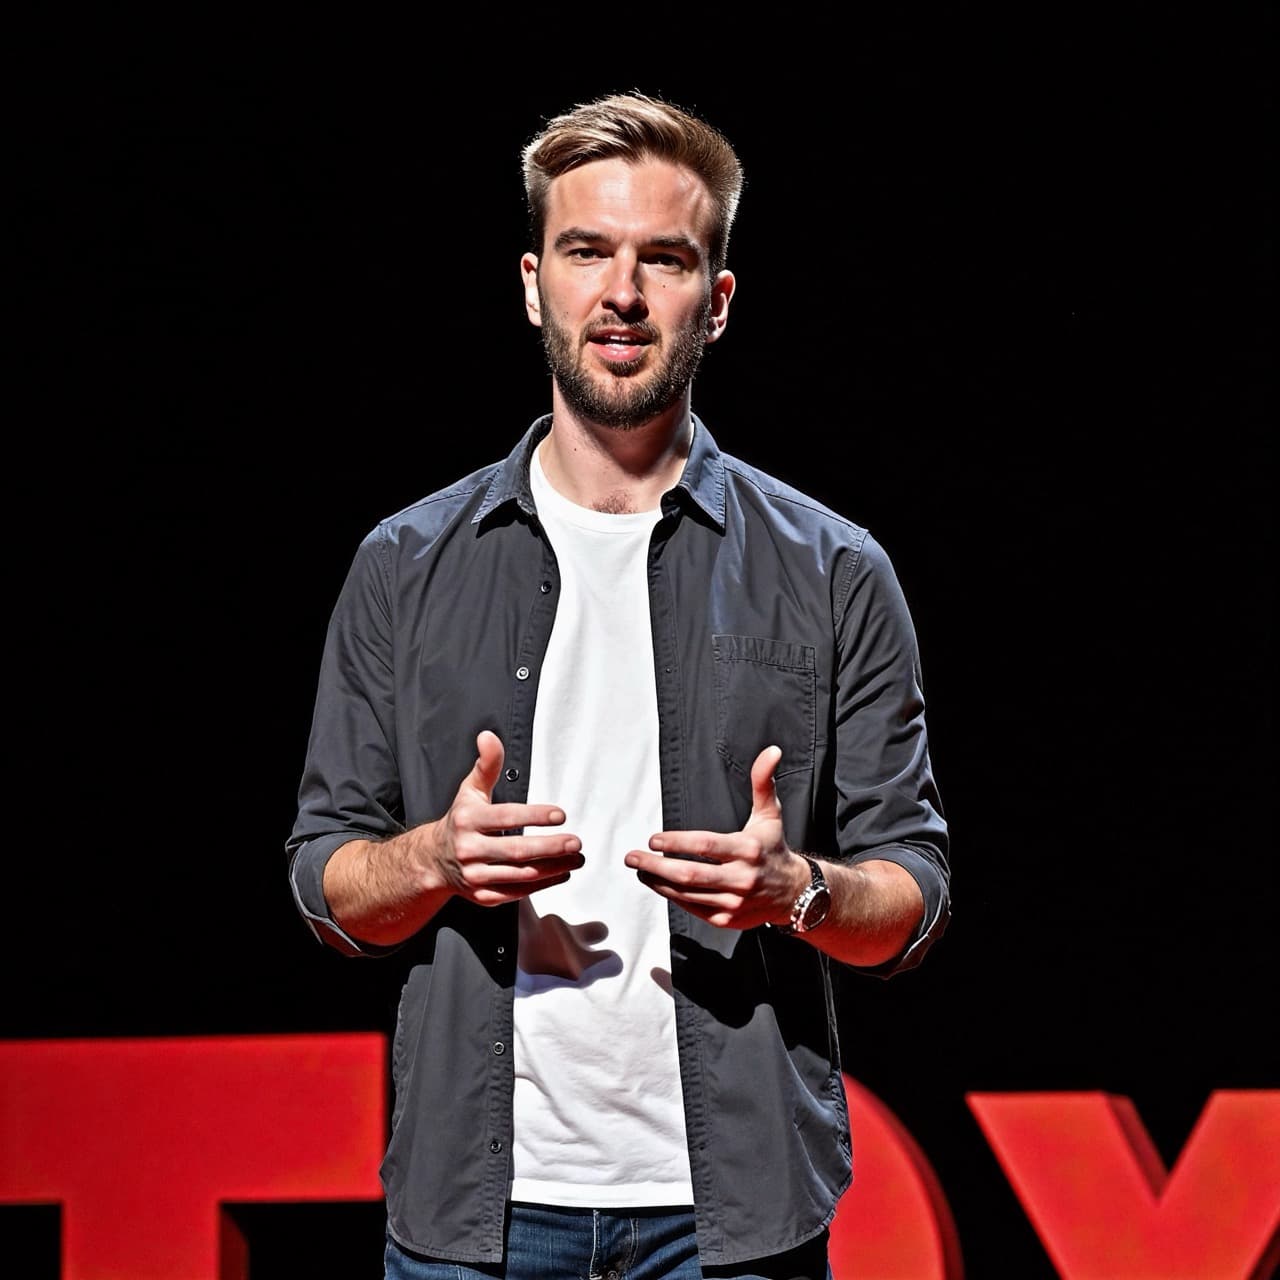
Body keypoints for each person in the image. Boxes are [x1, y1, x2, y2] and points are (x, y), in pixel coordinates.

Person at [287, 91, 950, 1280]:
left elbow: (912, 892)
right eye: (588, 250)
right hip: (470, 1218)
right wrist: (433, 856)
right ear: (533, 282)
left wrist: (795, 888)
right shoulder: (404, 564)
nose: (624, 292)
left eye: (666, 258)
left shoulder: (834, 570)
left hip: (734, 1222)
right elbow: (326, 884)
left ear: (718, 302)